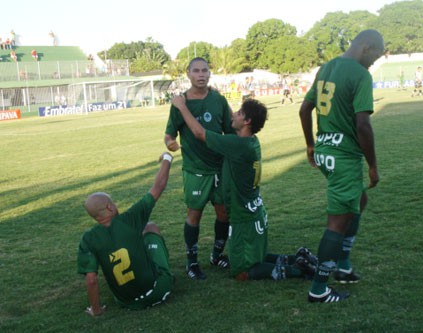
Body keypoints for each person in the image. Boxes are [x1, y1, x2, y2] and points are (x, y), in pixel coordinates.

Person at [173, 96, 318, 281]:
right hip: (254, 211)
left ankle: (298, 271)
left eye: (239, 113)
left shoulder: (238, 145)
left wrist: (182, 107)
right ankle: (298, 259)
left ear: (247, 121)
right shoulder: (250, 141)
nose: (234, 114)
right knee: (255, 258)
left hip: (244, 218)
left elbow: (200, 133)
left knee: (241, 272)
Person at [299, 29, 384, 303]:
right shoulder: (360, 74)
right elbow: (363, 125)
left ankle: (343, 265)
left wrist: (311, 145)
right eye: (374, 57)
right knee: (337, 222)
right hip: (344, 156)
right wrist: (372, 165)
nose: (372, 63)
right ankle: (319, 288)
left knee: (359, 200)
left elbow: (304, 109)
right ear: (367, 47)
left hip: (325, 151)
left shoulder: (327, 67)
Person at [77, 152, 175, 315]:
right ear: (109, 207)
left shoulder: (88, 239)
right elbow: (159, 186)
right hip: (158, 290)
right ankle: (166, 275)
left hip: (128, 302)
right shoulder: (129, 219)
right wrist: (167, 158)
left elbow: (91, 280)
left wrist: (96, 309)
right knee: (150, 227)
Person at [164, 57, 233, 280]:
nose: (201, 74)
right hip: (195, 170)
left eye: (205, 70)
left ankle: (216, 255)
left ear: (210, 74)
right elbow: (169, 133)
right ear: (188, 74)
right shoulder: (179, 103)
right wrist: (169, 143)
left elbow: (230, 131)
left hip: (219, 168)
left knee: (223, 213)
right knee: (194, 214)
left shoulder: (219, 101)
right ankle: (192, 263)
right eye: (196, 71)